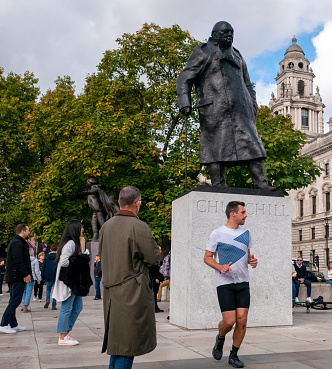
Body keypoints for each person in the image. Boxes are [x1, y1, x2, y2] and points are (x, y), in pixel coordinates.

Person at [177, 21, 275, 190]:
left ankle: (262, 183)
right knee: (216, 148)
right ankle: (218, 185)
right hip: (214, 109)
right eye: (225, 32)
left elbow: (248, 83)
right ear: (215, 35)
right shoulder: (202, 51)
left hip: (241, 111)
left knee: (254, 146)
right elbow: (184, 78)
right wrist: (185, 102)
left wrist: (252, 104)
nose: (229, 35)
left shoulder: (237, 54)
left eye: (231, 32)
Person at [99, 186, 162, 369]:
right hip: (131, 293)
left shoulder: (106, 227)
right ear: (138, 204)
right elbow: (153, 258)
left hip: (111, 293)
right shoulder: (139, 226)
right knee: (128, 346)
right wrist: (156, 250)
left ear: (119, 202)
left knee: (118, 344)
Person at [204, 201, 258, 369]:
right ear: (233, 214)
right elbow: (207, 257)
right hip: (225, 283)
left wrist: (252, 260)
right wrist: (220, 267)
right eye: (243, 212)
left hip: (243, 282)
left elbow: (247, 254)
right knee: (229, 322)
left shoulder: (246, 233)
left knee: (242, 321)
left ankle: (234, 354)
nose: (246, 215)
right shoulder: (217, 234)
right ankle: (220, 338)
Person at [52, 219, 86, 345]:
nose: (82, 229)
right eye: (81, 227)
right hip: (68, 281)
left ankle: (66, 332)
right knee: (67, 307)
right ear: (75, 228)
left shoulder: (72, 243)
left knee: (78, 306)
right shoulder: (71, 243)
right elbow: (64, 261)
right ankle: (62, 336)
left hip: (72, 280)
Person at [0, 224, 31, 334]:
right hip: (16, 276)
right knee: (15, 300)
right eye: (28, 230)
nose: (29, 232)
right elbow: (18, 260)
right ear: (22, 231)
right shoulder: (18, 243)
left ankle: (13, 324)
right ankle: (3, 324)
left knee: (14, 300)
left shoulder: (18, 242)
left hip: (15, 276)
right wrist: (25, 274)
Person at [42, 244, 58, 310]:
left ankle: (47, 300)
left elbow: (43, 267)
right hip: (56, 275)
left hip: (48, 275)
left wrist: (42, 276)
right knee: (55, 291)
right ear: (56, 249)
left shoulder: (46, 256)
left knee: (48, 289)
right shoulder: (58, 256)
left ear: (50, 250)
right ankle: (54, 305)